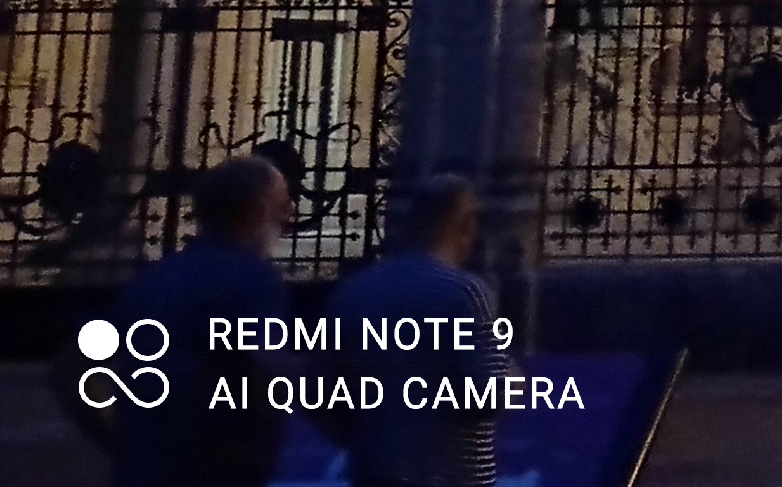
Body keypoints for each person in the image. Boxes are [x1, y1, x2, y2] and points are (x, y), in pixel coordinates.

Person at [62, 155, 295, 487]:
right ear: (257, 211)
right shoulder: (252, 280)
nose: (285, 220)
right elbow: (267, 369)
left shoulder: (154, 279)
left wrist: (121, 437)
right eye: (282, 208)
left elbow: (77, 368)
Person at [319, 178, 503, 487]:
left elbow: (319, 393)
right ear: (467, 224)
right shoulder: (465, 293)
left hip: (373, 473)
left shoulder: (354, 291)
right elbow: (486, 394)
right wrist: (513, 376)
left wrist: (362, 440)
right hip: (450, 475)